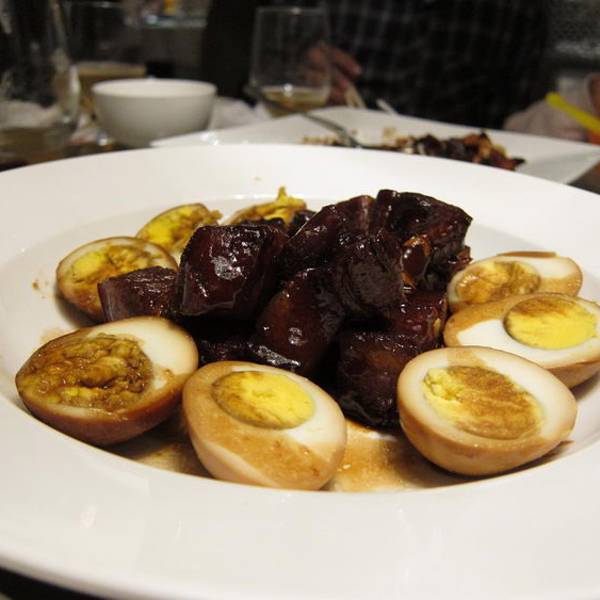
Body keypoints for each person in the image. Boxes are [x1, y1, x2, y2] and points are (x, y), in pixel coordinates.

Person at [200, 0, 548, 129]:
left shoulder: (520, 11)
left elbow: (517, 122)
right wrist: (289, 63)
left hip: (465, 179)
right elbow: (234, 57)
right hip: (313, 138)